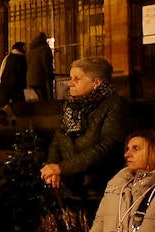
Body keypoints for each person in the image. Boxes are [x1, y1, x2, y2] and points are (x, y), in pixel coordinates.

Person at [41, 57, 129, 208]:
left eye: (77, 78)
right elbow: (58, 140)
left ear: (97, 82)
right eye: (71, 78)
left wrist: (62, 167)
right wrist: (53, 168)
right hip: (69, 187)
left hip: (98, 189)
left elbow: (108, 146)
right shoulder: (69, 106)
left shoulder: (114, 105)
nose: (70, 83)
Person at [26, 31, 54, 102]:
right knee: (45, 97)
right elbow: (46, 63)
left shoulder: (30, 50)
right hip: (41, 77)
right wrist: (50, 73)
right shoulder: (44, 49)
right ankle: (46, 110)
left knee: (40, 95)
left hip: (31, 78)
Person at [0, 41, 28, 106]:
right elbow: (22, 73)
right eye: (24, 48)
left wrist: (1, 81)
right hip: (16, 85)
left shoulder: (8, 57)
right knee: (18, 103)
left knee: (6, 104)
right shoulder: (21, 58)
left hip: (5, 83)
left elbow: (2, 69)